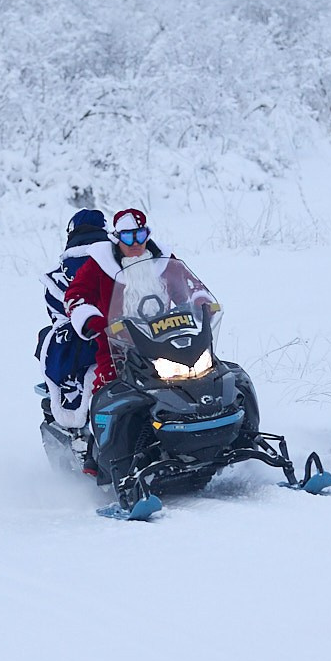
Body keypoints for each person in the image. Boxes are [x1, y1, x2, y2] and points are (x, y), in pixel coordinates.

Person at [63, 208, 218, 498]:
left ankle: (217, 436)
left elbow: (188, 282)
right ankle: (101, 456)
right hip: (117, 344)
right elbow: (75, 295)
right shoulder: (100, 264)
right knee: (109, 388)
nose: (135, 243)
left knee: (209, 373)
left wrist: (201, 300)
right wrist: (90, 317)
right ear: (117, 237)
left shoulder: (163, 259)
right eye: (128, 236)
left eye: (140, 235)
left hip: (168, 333)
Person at [38, 207, 111, 431]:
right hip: (123, 341)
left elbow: (57, 317)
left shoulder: (56, 276)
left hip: (87, 349)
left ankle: (80, 431)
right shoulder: (115, 261)